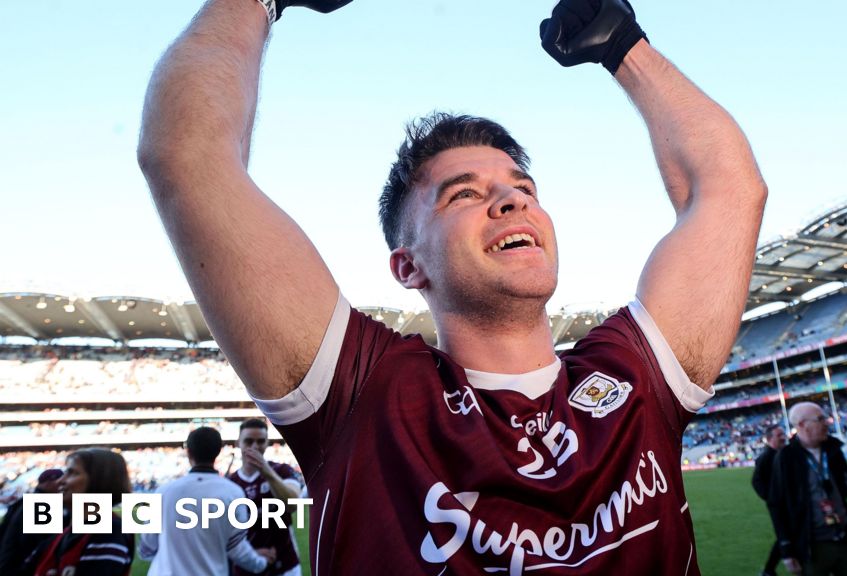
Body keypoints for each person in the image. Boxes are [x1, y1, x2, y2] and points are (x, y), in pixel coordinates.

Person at [137, 0, 766, 572]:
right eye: (464, 193)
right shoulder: (360, 394)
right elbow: (186, 154)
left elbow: (731, 189)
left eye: (523, 188)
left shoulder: (636, 380)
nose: (509, 201)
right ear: (408, 267)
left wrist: (624, 45)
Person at [138, 427, 275, 575]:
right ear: (218, 452)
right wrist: (260, 563)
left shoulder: (163, 492)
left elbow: (146, 548)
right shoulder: (233, 493)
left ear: (188, 451)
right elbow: (236, 548)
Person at [768, 403, 847, 576]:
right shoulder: (786, 457)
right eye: (820, 419)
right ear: (801, 425)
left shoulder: (834, 450)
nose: (827, 423)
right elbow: (777, 505)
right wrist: (786, 548)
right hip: (812, 546)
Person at [32, 449, 134, 576]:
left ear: (99, 479)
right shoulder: (70, 530)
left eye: (72, 473)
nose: (60, 481)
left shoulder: (108, 531)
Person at [227, 419, 302, 576]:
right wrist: (251, 553)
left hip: (284, 565)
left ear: (267, 443)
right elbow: (224, 532)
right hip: (246, 566)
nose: (255, 446)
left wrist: (265, 471)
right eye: (248, 441)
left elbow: (293, 505)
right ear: (238, 443)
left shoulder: (282, 471)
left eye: (261, 441)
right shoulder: (230, 484)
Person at [0, 469, 63, 576]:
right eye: (60, 480)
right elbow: (39, 549)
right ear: (48, 483)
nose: (64, 482)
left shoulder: (30, 499)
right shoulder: (42, 502)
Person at [752, 425, 786, 576]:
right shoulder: (766, 457)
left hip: (788, 502)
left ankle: (769, 570)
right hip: (778, 505)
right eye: (779, 435)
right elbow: (757, 481)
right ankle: (768, 570)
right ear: (770, 439)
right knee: (784, 536)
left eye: (783, 434)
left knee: (789, 534)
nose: (783, 437)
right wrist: (771, 497)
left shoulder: (783, 453)